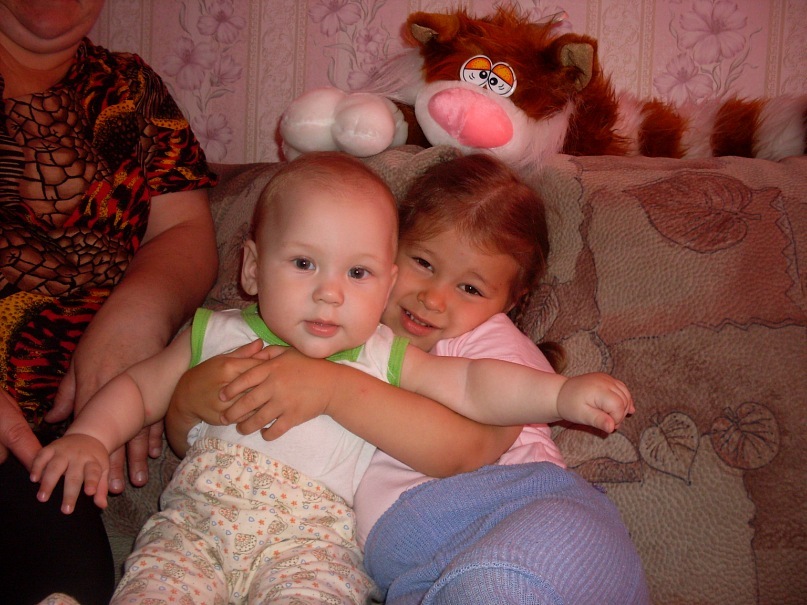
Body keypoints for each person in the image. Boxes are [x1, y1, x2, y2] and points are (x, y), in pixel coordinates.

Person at [31, 152, 634, 604]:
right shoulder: (214, 331)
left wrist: (559, 392)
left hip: (311, 547)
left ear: (381, 277)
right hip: (193, 530)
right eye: (304, 263)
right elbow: (139, 388)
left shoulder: (382, 354)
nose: (329, 292)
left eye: (357, 273)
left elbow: (472, 386)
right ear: (251, 268)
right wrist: (89, 435)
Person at [0, 1, 219, 603]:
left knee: (68, 583)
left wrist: (137, 317)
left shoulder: (131, 87)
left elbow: (183, 229)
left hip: (41, 456)